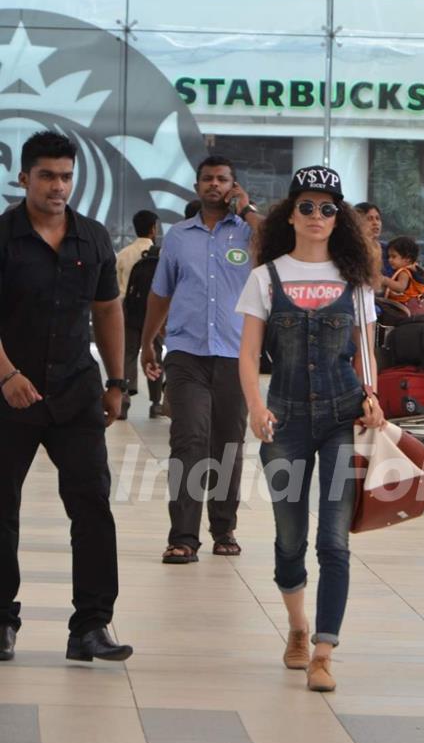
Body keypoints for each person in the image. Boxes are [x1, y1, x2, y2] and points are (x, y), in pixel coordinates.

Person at [238, 166, 383, 693]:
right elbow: (250, 353)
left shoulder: (356, 279)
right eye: (308, 206)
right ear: (290, 213)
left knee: (334, 540)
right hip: (286, 418)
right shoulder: (265, 276)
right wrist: (256, 405)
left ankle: (324, 650)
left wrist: (373, 396)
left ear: (338, 216)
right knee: (289, 537)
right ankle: (297, 627)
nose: (318, 216)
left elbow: (367, 349)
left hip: (344, 416)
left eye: (328, 208)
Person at [0, 131, 132, 664]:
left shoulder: (93, 239)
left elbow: (107, 312)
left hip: (76, 393)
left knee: (92, 506)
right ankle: (2, 622)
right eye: (48, 175)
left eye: (66, 176)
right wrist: (7, 374)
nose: (59, 186)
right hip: (9, 396)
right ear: (24, 178)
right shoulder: (4, 237)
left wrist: (117, 382)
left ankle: (91, 627)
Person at [140, 155, 262, 563]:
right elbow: (161, 293)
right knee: (188, 440)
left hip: (236, 354)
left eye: (223, 179)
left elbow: (280, 247)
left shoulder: (249, 233)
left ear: (234, 185)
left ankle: (224, 527)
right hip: (186, 353)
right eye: (207, 179)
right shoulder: (177, 237)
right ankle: (183, 537)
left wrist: (246, 209)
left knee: (227, 443)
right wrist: (147, 343)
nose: (215, 185)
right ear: (197, 186)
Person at [116, 210, 163, 419]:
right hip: (155, 313)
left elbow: (117, 291)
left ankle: (124, 397)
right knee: (155, 355)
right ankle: (155, 403)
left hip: (129, 313)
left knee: (128, 354)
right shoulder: (161, 254)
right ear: (153, 229)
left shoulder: (123, 254)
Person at [354, 201, 391, 288]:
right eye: (369, 219)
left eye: (378, 218)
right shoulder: (352, 250)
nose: (375, 223)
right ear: (356, 223)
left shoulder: (389, 249)